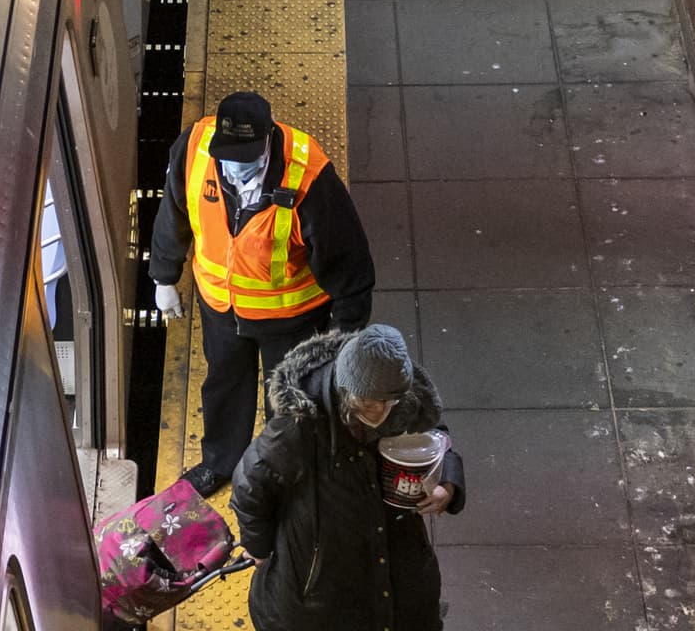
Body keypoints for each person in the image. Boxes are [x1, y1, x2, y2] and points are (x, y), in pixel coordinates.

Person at [149, 91, 375, 497]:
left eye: (247, 156)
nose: (236, 167)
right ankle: (220, 462)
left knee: (288, 399)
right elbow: (174, 212)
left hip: (291, 318)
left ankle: (285, 471)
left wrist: (346, 334)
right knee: (222, 386)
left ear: (269, 139)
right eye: (229, 155)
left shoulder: (308, 174)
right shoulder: (196, 148)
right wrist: (164, 277)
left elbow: (349, 259)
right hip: (222, 308)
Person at [229, 324, 467, 631]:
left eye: (388, 403)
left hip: (397, 558)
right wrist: (259, 547)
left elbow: (436, 439)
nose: (380, 413)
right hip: (323, 581)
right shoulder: (300, 426)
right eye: (368, 404)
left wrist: (448, 481)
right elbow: (250, 484)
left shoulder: (402, 399)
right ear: (344, 390)